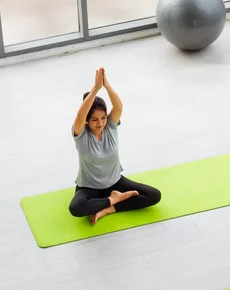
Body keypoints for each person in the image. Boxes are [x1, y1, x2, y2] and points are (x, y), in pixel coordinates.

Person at [68, 68, 161, 224]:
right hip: (89, 188)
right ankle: (113, 200)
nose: (101, 123)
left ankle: (109, 207)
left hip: (116, 182)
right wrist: (96, 88)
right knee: (76, 208)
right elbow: (79, 115)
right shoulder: (81, 135)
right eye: (95, 120)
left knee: (154, 195)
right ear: (87, 121)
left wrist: (106, 85)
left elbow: (118, 107)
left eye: (103, 118)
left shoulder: (110, 127)